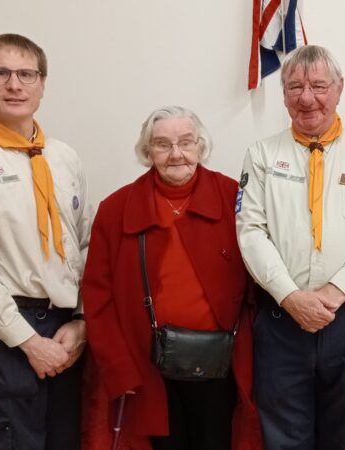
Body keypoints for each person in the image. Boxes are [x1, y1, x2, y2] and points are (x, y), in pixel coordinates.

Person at [236, 45, 345, 450]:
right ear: (284, 94)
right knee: (283, 433)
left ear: (340, 89)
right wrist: (290, 296)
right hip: (281, 319)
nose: (307, 98)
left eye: (319, 86)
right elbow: (251, 230)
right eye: (295, 87)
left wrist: (333, 292)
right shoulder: (261, 155)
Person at [82, 106, 257, 450]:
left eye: (186, 142)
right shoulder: (116, 209)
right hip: (148, 367)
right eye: (162, 144)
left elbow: (258, 280)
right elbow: (97, 295)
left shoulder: (234, 197)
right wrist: (119, 369)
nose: (176, 154)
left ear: (200, 147)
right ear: (147, 153)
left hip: (219, 365)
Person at [0, 33, 92, 449]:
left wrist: (80, 321)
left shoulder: (63, 157)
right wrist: (28, 342)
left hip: (65, 331)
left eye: (27, 74)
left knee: (65, 439)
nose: (14, 85)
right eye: (0, 73)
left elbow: (82, 244)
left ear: (42, 84)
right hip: (5, 330)